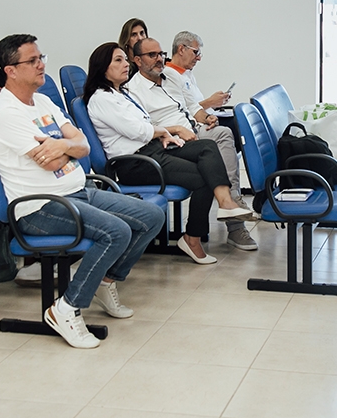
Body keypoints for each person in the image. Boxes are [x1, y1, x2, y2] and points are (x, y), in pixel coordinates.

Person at [0, 34, 165, 349]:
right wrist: (68, 147)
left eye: (41, 58)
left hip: (77, 190)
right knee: (116, 232)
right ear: (10, 70)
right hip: (39, 208)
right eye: (32, 61)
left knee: (151, 215)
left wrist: (62, 146)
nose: (41, 65)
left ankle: (104, 280)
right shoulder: (5, 113)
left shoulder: (42, 101)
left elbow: (83, 145)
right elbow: (53, 160)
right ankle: (66, 309)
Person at [83, 42, 255, 264]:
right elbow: (137, 130)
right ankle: (193, 238)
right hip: (134, 164)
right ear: (102, 67)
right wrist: (168, 131)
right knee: (203, 177)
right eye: (118, 60)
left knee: (207, 147)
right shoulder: (101, 99)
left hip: (151, 150)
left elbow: (145, 122)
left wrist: (163, 135)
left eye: (125, 59)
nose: (125, 64)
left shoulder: (120, 93)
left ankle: (225, 203)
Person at [129, 37, 259, 251]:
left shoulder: (171, 76)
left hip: (194, 129)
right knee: (211, 152)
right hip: (172, 140)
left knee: (224, 133)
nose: (159, 59)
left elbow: (191, 107)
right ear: (137, 60)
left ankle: (231, 204)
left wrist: (206, 118)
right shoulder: (133, 90)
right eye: (152, 55)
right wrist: (176, 130)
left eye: (161, 54)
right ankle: (233, 216)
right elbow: (144, 128)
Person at [164, 31, 231, 111]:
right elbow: (180, 112)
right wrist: (210, 102)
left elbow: (196, 105)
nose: (199, 58)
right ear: (181, 50)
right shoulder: (168, 75)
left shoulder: (187, 73)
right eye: (196, 52)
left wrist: (215, 103)